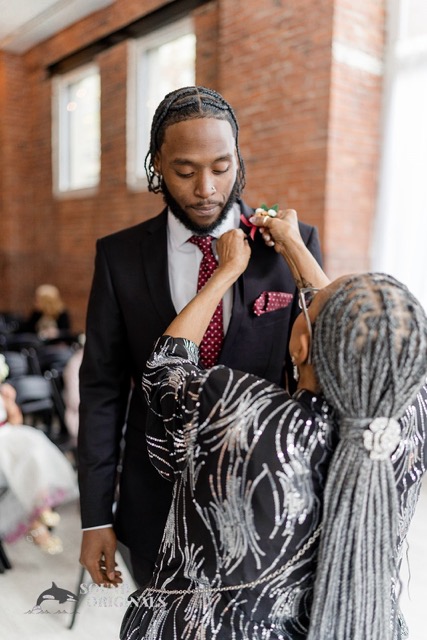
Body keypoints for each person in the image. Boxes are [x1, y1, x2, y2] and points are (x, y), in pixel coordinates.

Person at [120, 211, 427, 640]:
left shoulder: (239, 414)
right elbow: (350, 331)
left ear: (300, 346)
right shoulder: (408, 424)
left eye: (309, 306)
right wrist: (295, 245)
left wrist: (225, 272)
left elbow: (166, 373)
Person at [78, 86, 322, 587]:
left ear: (239, 161)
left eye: (221, 166)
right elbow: (101, 391)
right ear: (157, 167)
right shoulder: (118, 257)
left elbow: (328, 356)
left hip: (265, 505)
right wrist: (96, 515)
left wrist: (297, 253)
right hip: (155, 511)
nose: (206, 188)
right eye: (185, 172)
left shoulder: (291, 248)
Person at [0, 360, 78, 554]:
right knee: (14, 465)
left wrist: (9, 401)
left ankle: (40, 510)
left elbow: (15, 420)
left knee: (34, 448)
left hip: (9, 434)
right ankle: (37, 526)